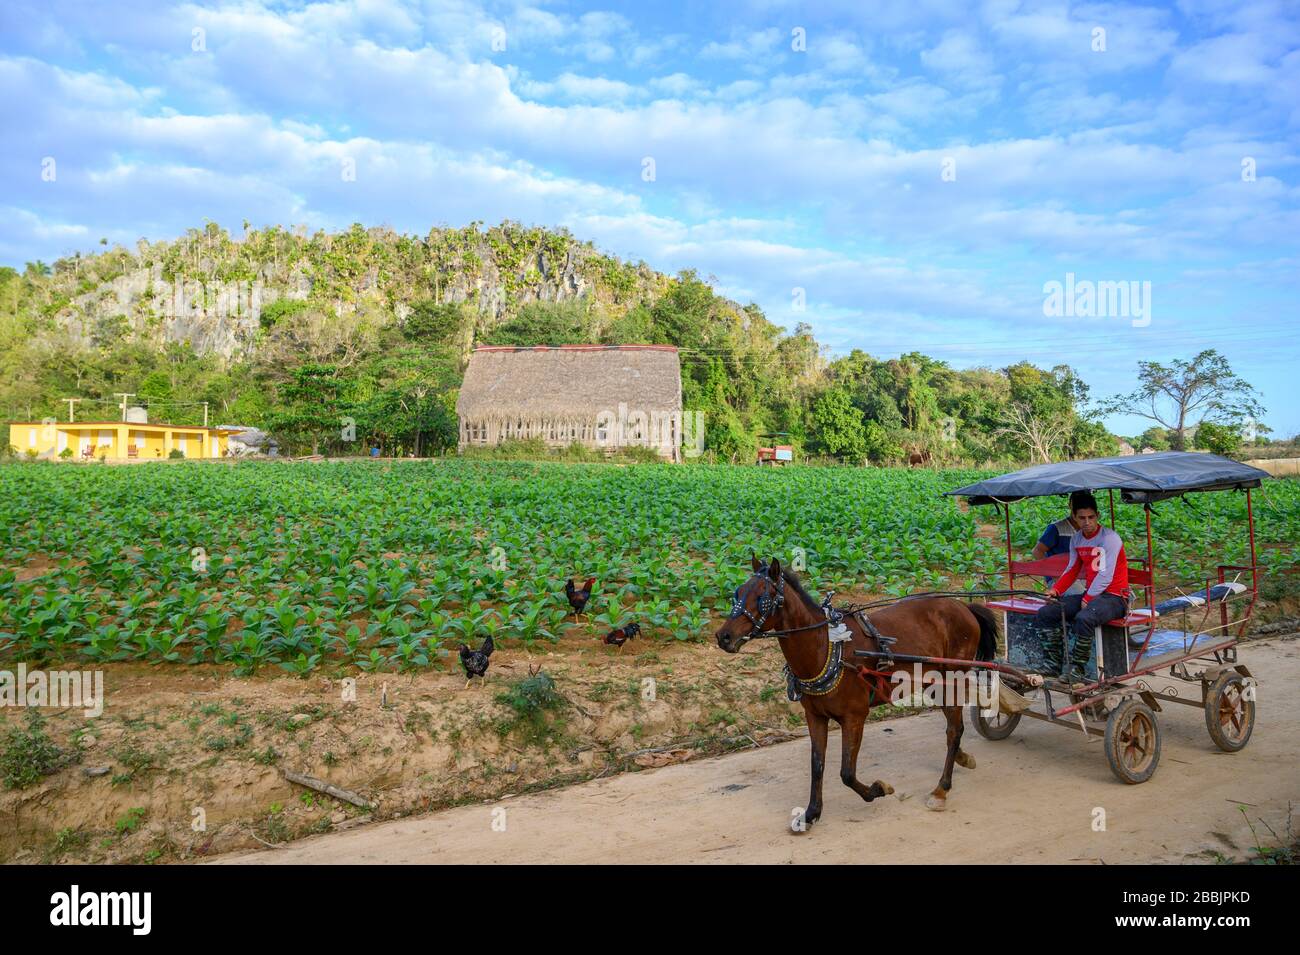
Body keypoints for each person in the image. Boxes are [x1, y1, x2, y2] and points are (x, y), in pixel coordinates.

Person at [1033, 491, 1129, 682]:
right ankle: (1052, 664)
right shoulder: (1077, 539)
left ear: (1097, 516)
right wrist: (1056, 589)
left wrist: (1087, 598)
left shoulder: (1110, 538)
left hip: (1115, 597)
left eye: (1091, 517)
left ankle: (1078, 668)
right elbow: (1072, 569)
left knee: (1083, 617)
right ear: (1075, 518)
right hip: (1093, 595)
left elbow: (1106, 575)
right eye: (1082, 518)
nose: (1087, 522)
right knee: (1047, 612)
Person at [1031, 491, 1090, 595]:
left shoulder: (1090, 529)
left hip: (1084, 576)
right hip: (1061, 578)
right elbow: (1037, 551)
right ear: (1070, 505)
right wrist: (1053, 574)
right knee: (1080, 595)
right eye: (1077, 503)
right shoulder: (1056, 528)